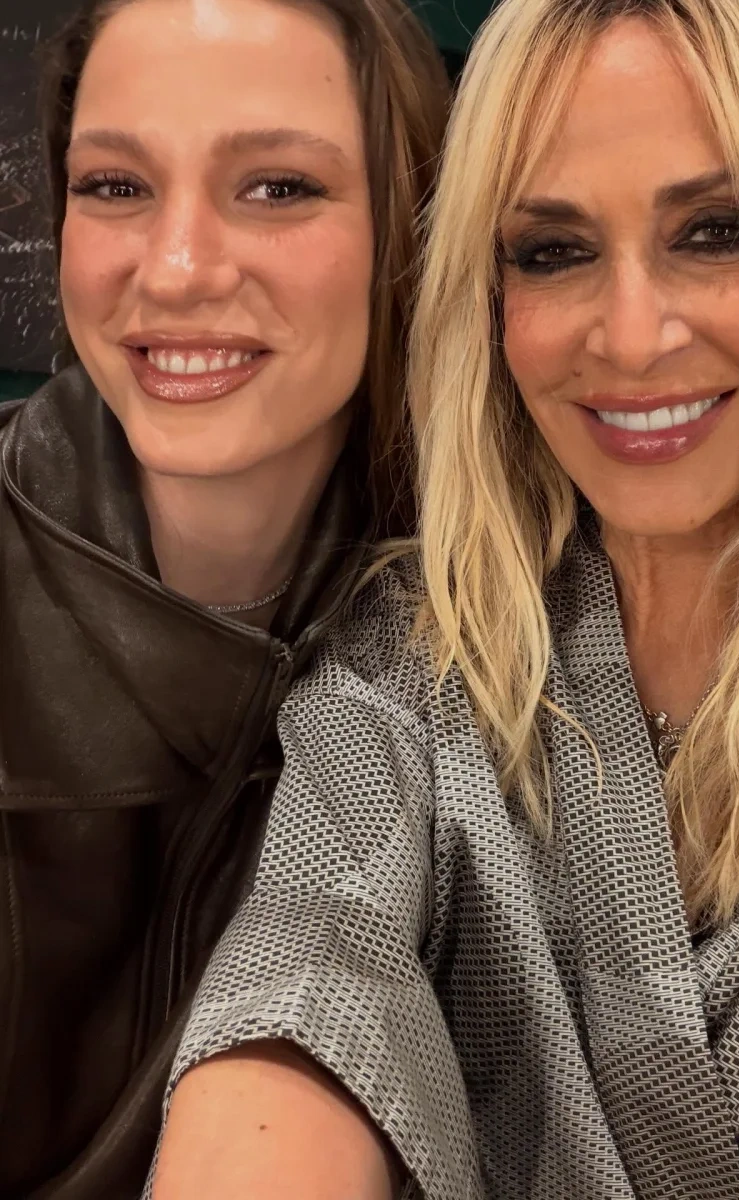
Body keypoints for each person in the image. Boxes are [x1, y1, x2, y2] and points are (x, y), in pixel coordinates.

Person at [149, 0, 739, 1196]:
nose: (633, 338)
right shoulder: (409, 669)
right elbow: (309, 970)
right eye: (553, 252)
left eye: (716, 232)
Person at [0, 0, 447, 1195]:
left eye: (278, 187)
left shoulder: (497, 631)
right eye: (115, 187)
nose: (178, 267)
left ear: (409, 225)